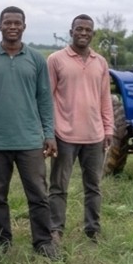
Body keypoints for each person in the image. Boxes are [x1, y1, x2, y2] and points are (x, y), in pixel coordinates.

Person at [0, 6, 59, 259]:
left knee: (38, 194)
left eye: (17, 23)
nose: (12, 27)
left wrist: (49, 133)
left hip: (30, 140)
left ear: (24, 26)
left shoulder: (35, 59)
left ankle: (43, 242)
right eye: (7, 22)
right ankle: (2, 241)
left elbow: (44, 99)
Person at [47, 14, 114, 243]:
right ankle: (55, 230)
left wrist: (109, 129)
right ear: (71, 32)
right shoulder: (56, 60)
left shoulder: (100, 62)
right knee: (58, 186)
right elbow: (47, 98)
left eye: (88, 30)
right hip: (64, 134)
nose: (83, 33)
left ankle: (92, 230)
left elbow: (105, 98)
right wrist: (48, 133)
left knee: (93, 186)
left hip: (94, 136)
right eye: (79, 29)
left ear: (93, 34)